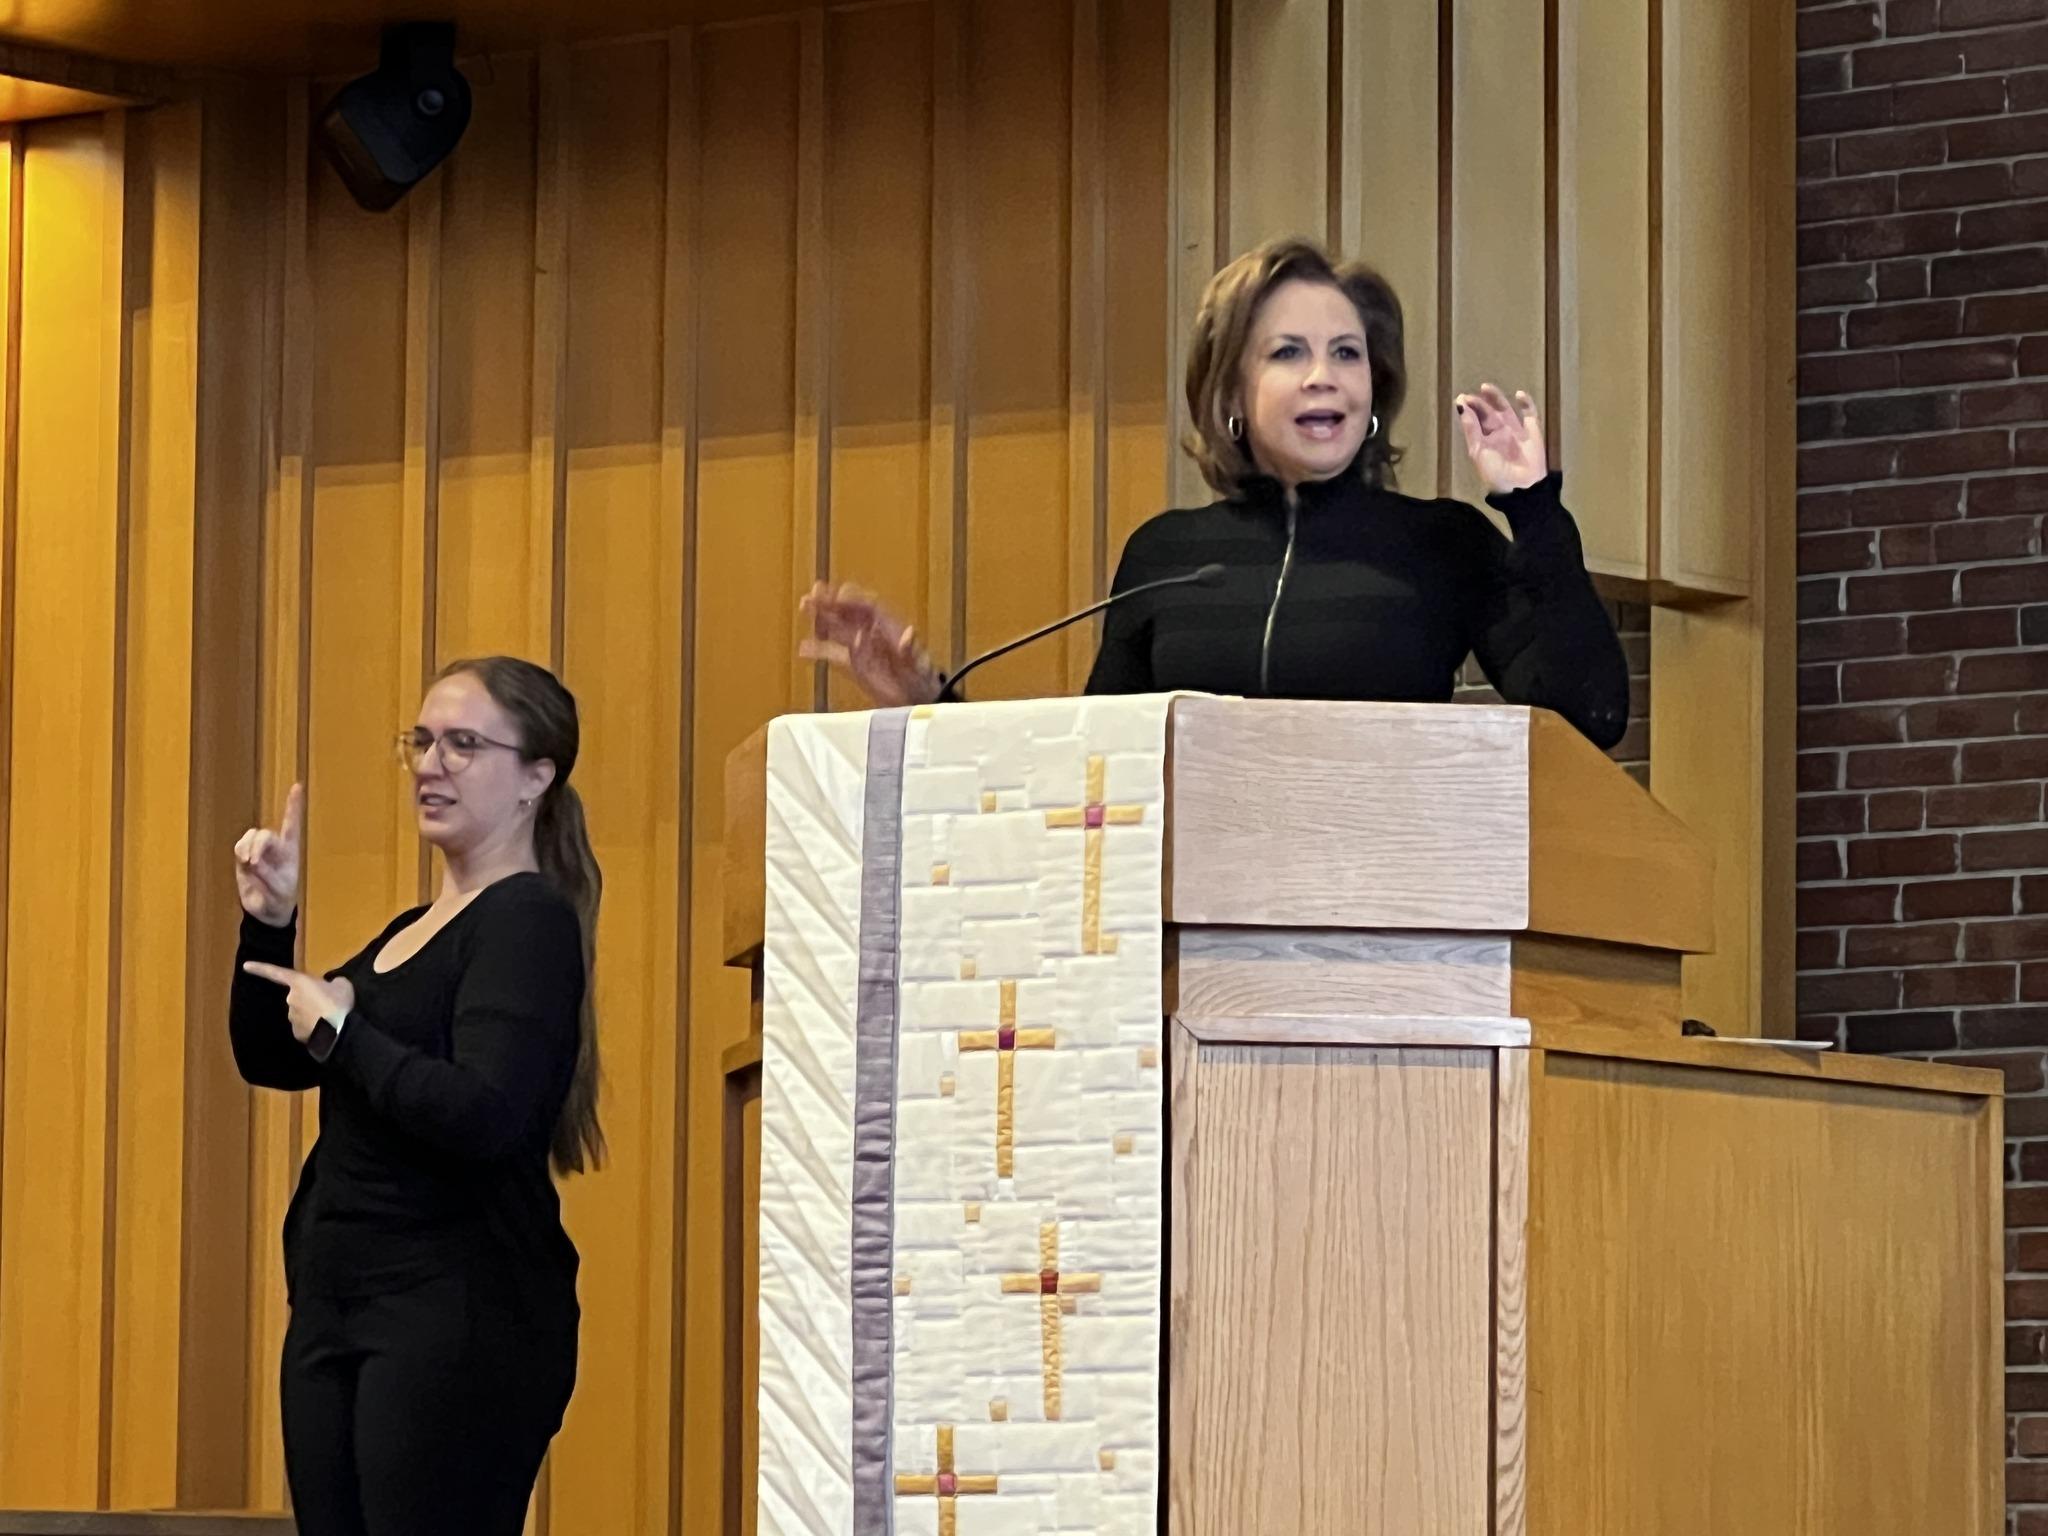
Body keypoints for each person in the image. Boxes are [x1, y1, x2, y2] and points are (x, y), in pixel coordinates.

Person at [801, 235, 1629, 748]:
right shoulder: (1168, 558)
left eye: (1346, 354)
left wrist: (1533, 507)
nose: (1324, 378)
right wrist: (930, 700)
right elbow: (1093, 766)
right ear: (1230, 391)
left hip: (1386, 938)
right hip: (1193, 957)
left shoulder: (1444, 544)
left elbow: (1587, 717)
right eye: (1287, 353)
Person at [230, 655, 602, 1536]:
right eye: (423, 742)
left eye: (464, 745)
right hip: (339, 1305)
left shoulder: (526, 919)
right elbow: (272, 1058)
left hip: (453, 1315)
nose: (431, 765)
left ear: (535, 777)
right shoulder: (408, 931)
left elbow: (485, 1113)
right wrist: (269, 921)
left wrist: (349, 1035)